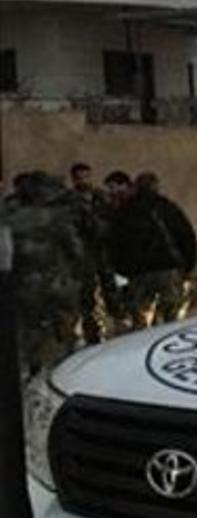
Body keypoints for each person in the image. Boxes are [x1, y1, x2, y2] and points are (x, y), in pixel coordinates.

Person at [5, 172, 86, 380]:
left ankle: (32, 372)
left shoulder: (10, 219)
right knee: (63, 333)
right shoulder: (58, 217)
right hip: (58, 284)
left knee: (30, 334)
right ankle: (61, 375)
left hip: (24, 286)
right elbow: (77, 251)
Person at [108, 173, 197, 328]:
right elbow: (186, 236)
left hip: (139, 274)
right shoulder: (167, 207)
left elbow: (115, 243)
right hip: (168, 270)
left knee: (141, 322)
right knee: (173, 321)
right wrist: (187, 266)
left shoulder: (125, 211)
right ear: (156, 186)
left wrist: (122, 270)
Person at [69, 162, 117, 344]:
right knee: (86, 298)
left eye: (86, 177)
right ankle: (92, 336)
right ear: (74, 179)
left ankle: (117, 329)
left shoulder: (100, 197)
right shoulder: (70, 201)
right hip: (84, 255)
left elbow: (112, 219)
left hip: (103, 252)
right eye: (80, 178)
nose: (84, 181)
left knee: (111, 292)